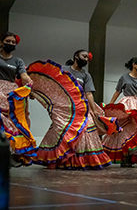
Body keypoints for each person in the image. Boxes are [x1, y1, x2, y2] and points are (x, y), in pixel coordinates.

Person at [32, 50, 118, 170]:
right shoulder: (64, 69)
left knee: (86, 129)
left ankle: (81, 160)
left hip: (82, 106)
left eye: (88, 58)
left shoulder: (86, 75)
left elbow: (88, 93)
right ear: (76, 56)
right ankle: (61, 159)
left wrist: (93, 110)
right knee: (62, 130)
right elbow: (53, 85)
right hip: (65, 107)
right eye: (84, 56)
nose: (86, 59)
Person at [101, 57, 137, 167]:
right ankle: (125, 155)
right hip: (126, 102)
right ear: (134, 65)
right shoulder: (124, 77)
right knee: (124, 128)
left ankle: (136, 155)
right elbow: (118, 91)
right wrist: (110, 105)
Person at [0, 32, 35, 166]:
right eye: (8, 41)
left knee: (15, 120)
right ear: (1, 42)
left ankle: (11, 152)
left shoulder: (18, 61)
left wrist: (29, 84)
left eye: (13, 42)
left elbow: (23, 75)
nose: (11, 44)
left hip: (11, 91)